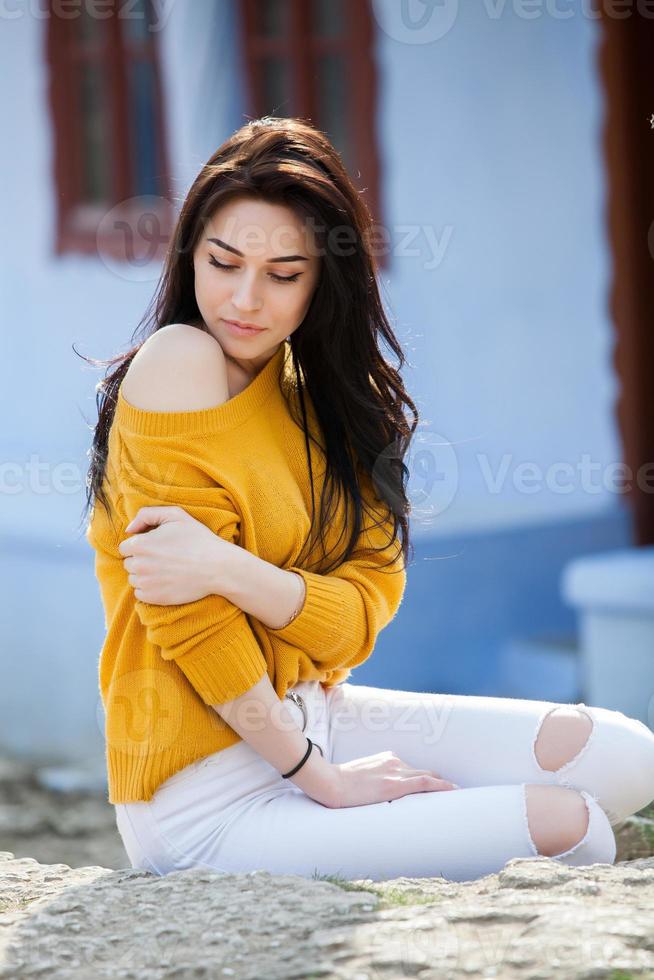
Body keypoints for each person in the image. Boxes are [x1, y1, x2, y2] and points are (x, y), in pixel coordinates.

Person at [83, 116, 654, 883]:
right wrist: (322, 779)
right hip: (206, 793)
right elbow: (188, 619)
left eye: (284, 274)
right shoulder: (179, 361)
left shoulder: (332, 401)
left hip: (322, 715)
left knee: (628, 759)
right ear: (191, 256)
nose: (244, 299)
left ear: (324, 280)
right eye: (222, 263)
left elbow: (361, 616)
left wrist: (228, 567)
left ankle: (426, 823)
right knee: (570, 825)